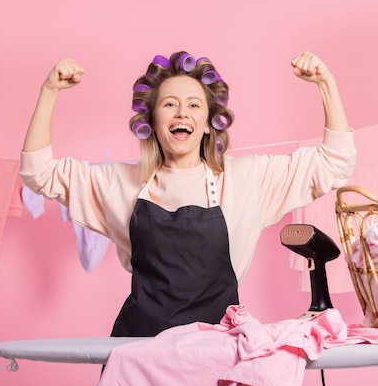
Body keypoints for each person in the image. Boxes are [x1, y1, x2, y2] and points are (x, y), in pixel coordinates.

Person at [19, 51, 355, 338]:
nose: (182, 113)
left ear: (209, 122)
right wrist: (49, 91)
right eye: (169, 104)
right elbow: (38, 173)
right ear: (151, 119)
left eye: (194, 105)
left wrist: (327, 85)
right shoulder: (119, 182)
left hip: (218, 349)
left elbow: (334, 164)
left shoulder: (248, 179)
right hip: (139, 351)